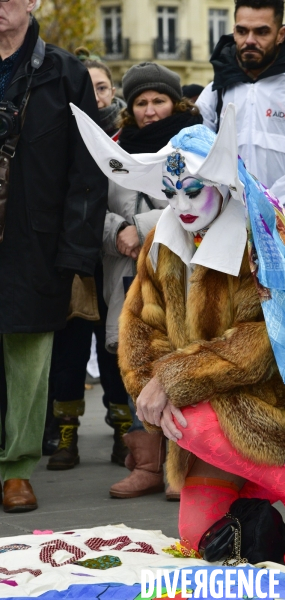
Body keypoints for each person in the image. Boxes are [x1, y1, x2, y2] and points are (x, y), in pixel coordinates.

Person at [71, 101, 285, 568]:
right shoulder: (163, 241)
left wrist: (176, 380)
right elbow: (141, 326)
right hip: (203, 415)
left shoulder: (258, 239)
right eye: (170, 193)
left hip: (268, 405)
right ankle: (256, 484)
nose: (179, 206)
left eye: (193, 191)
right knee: (196, 537)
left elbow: (264, 342)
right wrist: (150, 389)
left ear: (221, 186)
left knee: (193, 423)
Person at [0, 0, 107, 511]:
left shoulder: (65, 72)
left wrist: (75, 255)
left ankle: (17, 469)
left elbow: (87, 173)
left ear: (33, 2)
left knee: (28, 360)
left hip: (34, 240)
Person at [102, 62, 203, 500]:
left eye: (158, 100)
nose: (149, 110)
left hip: (187, 274)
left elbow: (203, 201)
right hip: (129, 275)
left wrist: (138, 227)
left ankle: (184, 467)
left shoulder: (199, 145)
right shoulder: (114, 149)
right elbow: (87, 205)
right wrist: (113, 231)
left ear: (174, 102)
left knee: (184, 364)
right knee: (138, 363)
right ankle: (146, 464)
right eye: (141, 102)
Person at [196, 0, 285, 255]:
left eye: (261, 32)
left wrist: (259, 211)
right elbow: (197, 161)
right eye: (242, 31)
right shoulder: (214, 93)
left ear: (281, 34)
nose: (249, 40)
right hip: (226, 240)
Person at [46, 49, 130, 472]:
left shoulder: (128, 138)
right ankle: (66, 434)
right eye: (88, 88)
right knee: (69, 350)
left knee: (115, 349)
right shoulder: (61, 131)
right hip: (75, 258)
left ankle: (123, 431)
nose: (95, 96)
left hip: (116, 260)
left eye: (102, 87)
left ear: (112, 90)